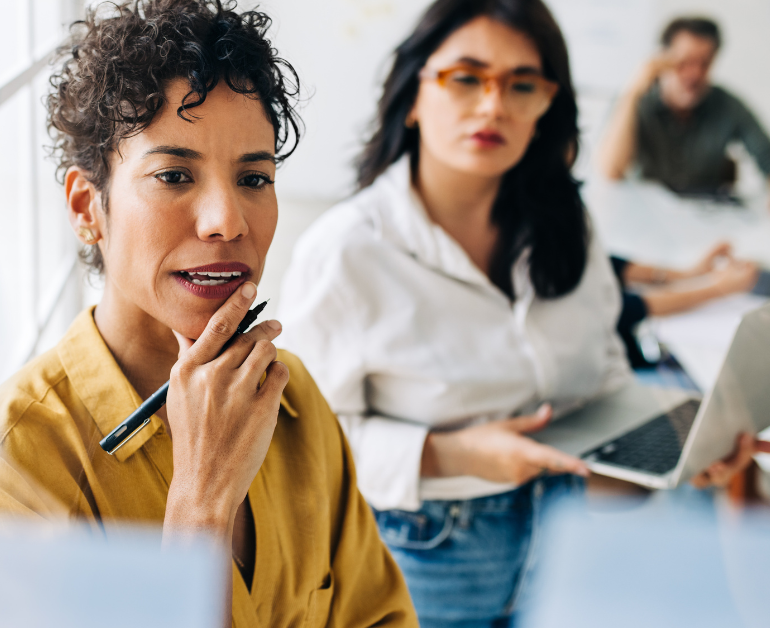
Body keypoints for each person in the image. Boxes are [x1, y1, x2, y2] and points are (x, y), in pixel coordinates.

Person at [0, 2, 416, 626]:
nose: (227, 221)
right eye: (175, 175)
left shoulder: (294, 403)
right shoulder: (3, 469)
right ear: (87, 207)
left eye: (254, 179)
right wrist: (200, 508)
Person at [277, 0, 758, 625]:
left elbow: (603, 383)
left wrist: (680, 456)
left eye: (521, 84)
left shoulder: (566, 226)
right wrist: (452, 454)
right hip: (421, 553)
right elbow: (299, 447)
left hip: (566, 531)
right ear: (415, 93)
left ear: (545, 107)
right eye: (467, 77)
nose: (493, 104)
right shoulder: (347, 250)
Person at [598, 17, 770, 200]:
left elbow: (766, 156)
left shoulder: (727, 105)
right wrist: (633, 92)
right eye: (684, 61)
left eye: (704, 63)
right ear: (662, 59)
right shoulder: (636, 100)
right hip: (645, 213)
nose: (694, 74)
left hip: (705, 215)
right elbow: (611, 172)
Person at [611, 242, 759, 369]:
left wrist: (687, 274)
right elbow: (625, 308)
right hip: (629, 355)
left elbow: (608, 264)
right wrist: (720, 289)